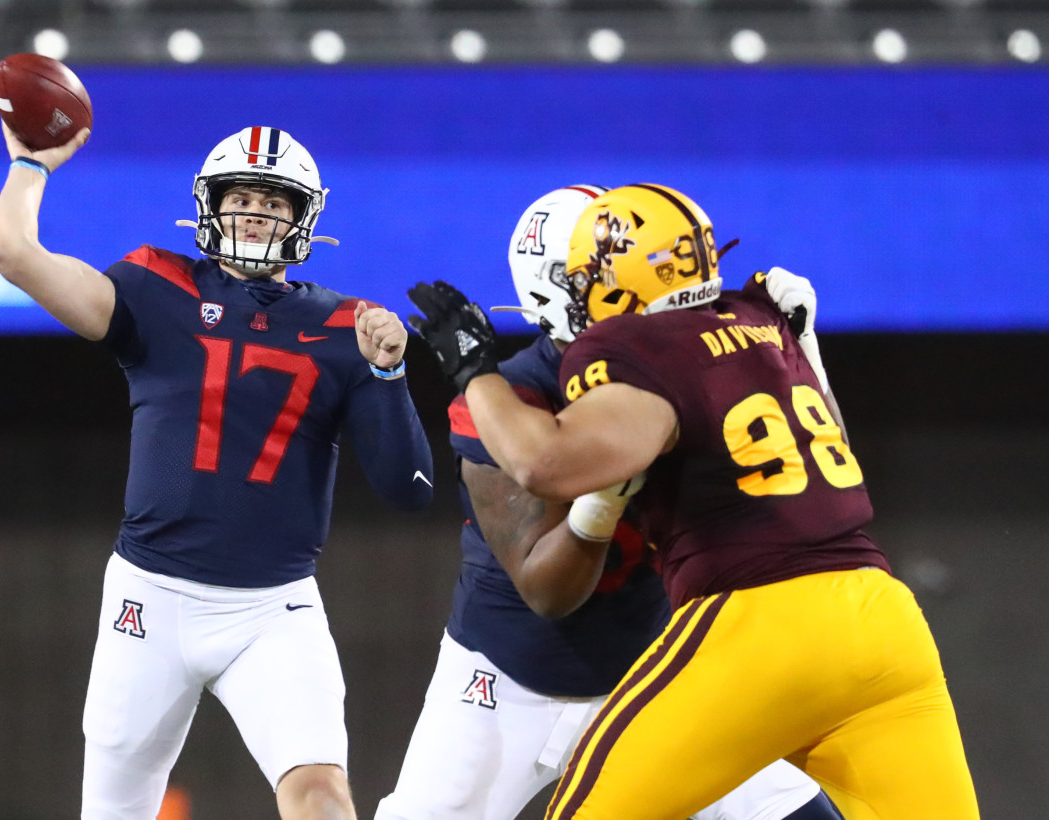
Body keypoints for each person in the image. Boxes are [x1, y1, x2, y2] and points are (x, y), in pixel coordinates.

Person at [406, 183, 979, 820]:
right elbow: (548, 593)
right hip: (515, 671)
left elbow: (547, 457)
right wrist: (795, 352)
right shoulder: (732, 326)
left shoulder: (645, 355)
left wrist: (471, 369)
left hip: (687, 649)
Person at [0, 122, 434, 820]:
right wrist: (30, 164)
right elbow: (15, 255)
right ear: (209, 206)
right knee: (113, 811)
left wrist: (389, 373)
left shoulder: (348, 326)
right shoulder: (153, 285)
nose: (256, 211)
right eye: (242, 195)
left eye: (275, 200)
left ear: (302, 218)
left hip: (272, 610)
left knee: (321, 796)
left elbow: (410, 492)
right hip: (150, 599)